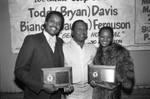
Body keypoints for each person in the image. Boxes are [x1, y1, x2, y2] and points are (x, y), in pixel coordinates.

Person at [14, 11, 65, 99]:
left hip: (56, 96)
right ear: (45, 22)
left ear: (60, 27)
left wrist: (65, 84)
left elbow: (61, 68)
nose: (55, 25)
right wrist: (42, 86)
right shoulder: (32, 40)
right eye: (52, 21)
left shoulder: (60, 42)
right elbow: (20, 70)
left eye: (58, 23)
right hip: (36, 95)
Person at [91, 26, 134, 99]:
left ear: (112, 38)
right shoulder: (97, 52)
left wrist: (117, 82)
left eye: (108, 37)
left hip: (112, 95)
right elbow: (95, 73)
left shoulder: (120, 52)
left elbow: (128, 75)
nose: (105, 40)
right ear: (98, 37)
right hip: (98, 94)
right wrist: (93, 81)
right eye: (102, 37)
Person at [63, 20, 97, 99]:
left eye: (84, 29)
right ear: (72, 32)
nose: (82, 31)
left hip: (90, 89)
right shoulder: (64, 48)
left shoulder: (92, 48)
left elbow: (96, 67)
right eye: (79, 28)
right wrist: (64, 85)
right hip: (72, 91)